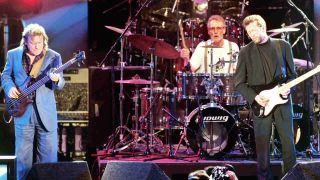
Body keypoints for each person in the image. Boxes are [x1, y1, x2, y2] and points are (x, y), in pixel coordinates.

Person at [234, 15, 297, 179]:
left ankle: (291, 176)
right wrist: (254, 97)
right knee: (262, 144)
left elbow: (292, 76)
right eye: (249, 32)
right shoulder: (245, 52)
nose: (252, 34)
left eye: (254, 30)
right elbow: (239, 83)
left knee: (288, 142)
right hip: (260, 101)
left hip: (282, 100)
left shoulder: (283, 46)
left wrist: (288, 88)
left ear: (263, 27)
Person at [1, 23, 65, 179]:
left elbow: (61, 84)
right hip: (22, 111)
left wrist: (56, 80)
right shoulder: (13, 54)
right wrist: (9, 87)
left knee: (48, 160)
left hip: (46, 113)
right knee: (22, 159)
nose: (37, 46)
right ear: (25, 41)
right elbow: (5, 76)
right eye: (33, 43)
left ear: (44, 40)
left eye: (40, 42)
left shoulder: (53, 56)